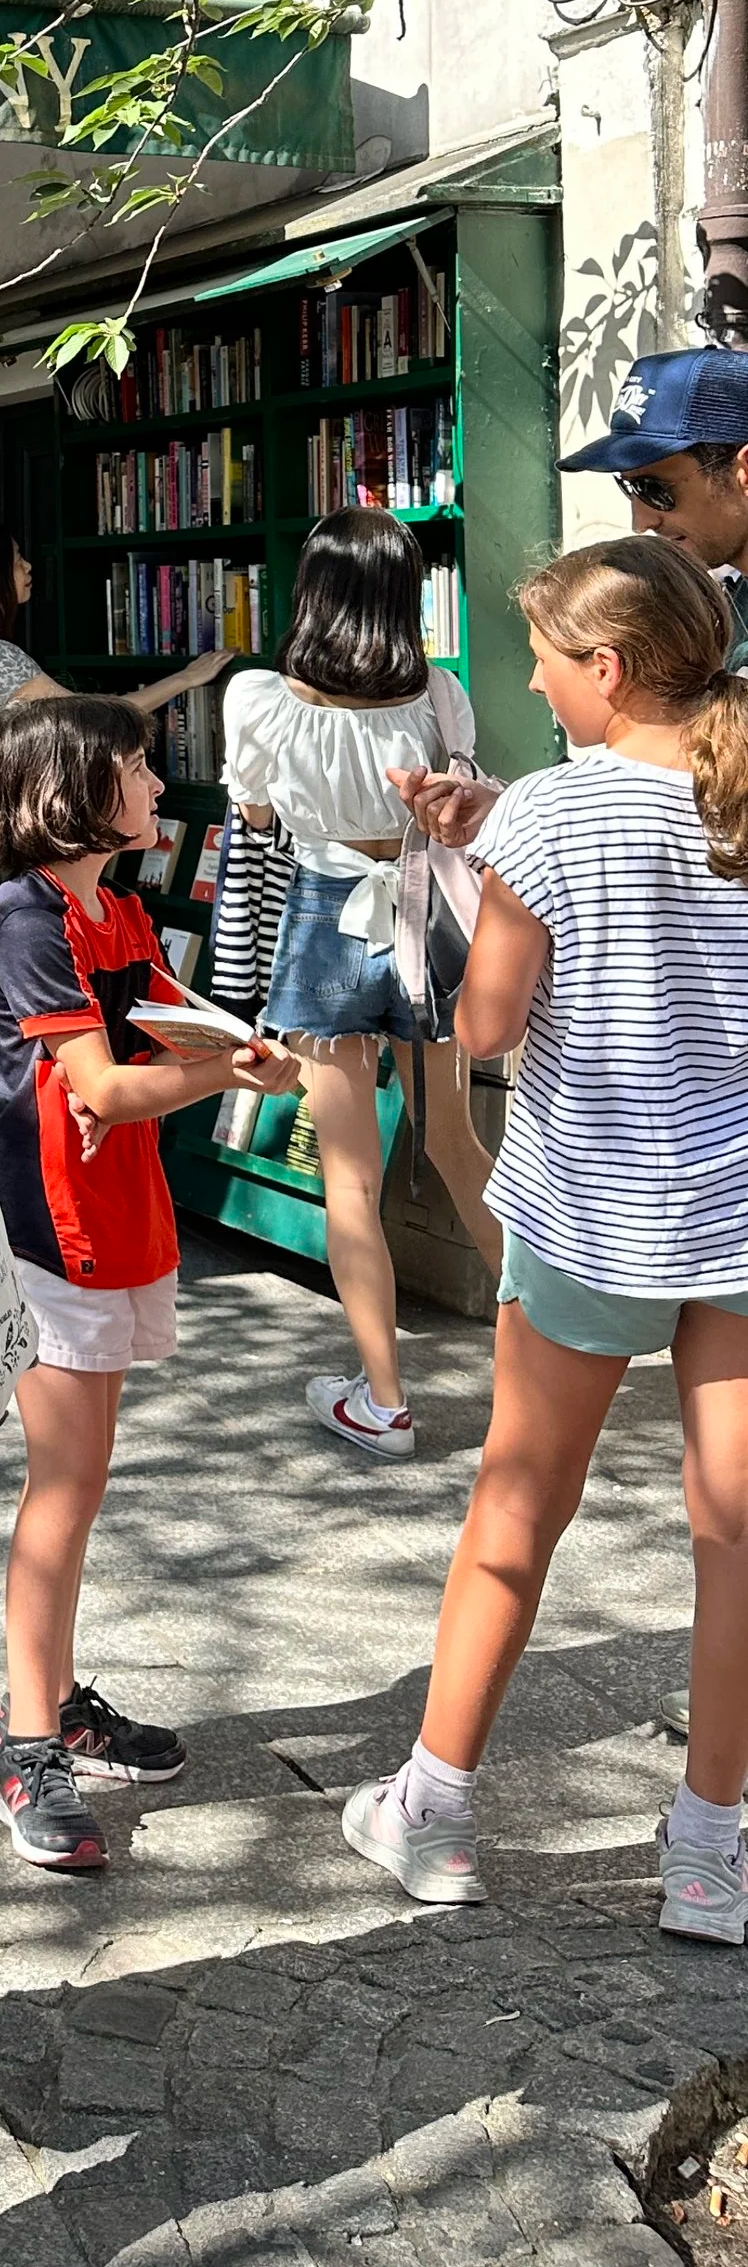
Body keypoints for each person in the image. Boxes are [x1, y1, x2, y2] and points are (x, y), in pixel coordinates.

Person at [343, 539, 748, 1937]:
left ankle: (437, 1811)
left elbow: (490, 1028)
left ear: (610, 670)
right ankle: (708, 1852)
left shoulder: (555, 824)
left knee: (517, 1511)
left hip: (592, 1207)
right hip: (739, 1217)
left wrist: (474, 892)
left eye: (544, 660)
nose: (526, 680)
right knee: (734, 1539)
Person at [0, 693, 301, 1872]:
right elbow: (102, 1085)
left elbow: (156, 1024)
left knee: (82, 1480)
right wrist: (226, 1078)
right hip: (45, 1235)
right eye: (138, 769)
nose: (159, 788)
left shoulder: (107, 903)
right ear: (72, 792)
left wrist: (232, 1046)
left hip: (108, 1222)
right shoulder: (26, 916)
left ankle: (54, 1703)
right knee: (61, 1488)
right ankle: (24, 1744)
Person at [223, 509, 503, 1459]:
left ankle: (384, 1400)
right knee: (458, 1145)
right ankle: (541, 1362)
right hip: (425, 920)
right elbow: (460, 799)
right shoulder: (438, 693)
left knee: (350, 1177)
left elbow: (254, 811)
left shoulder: (260, 697)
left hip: (325, 916)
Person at [0, 518, 230, 1109]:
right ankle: (40, 1097)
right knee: (29, 958)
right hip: (4, 810)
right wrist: (184, 679)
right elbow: (83, 723)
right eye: (14, 559)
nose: (28, 569)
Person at [394, 345, 748, 854]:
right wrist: (517, 819)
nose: (642, 521)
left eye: (656, 489)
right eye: (629, 488)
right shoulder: (724, 596)